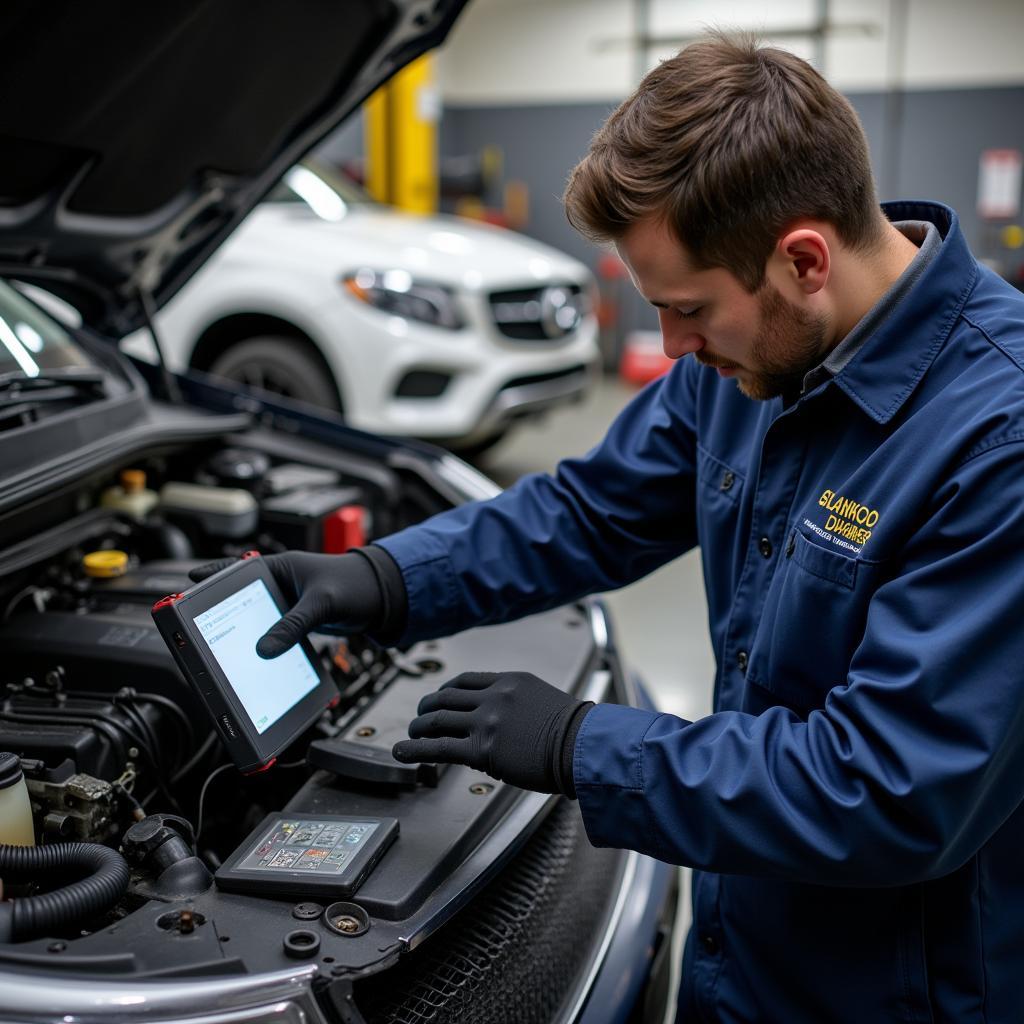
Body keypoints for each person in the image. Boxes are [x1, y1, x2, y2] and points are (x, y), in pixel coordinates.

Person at [196, 33, 1024, 1023]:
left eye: (688, 311)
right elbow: (587, 509)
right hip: (738, 946)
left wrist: (586, 746)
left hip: (887, 990)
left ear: (803, 258)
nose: (671, 346)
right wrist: (383, 579)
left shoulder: (994, 434)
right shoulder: (745, 362)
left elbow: (889, 785)